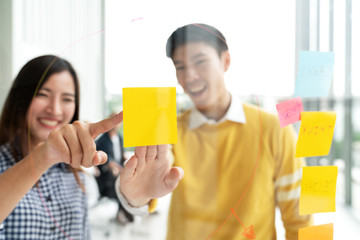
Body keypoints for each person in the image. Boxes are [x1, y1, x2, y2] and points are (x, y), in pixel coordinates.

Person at [118, 23, 313, 240]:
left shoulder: (274, 130)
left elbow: (300, 218)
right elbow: (148, 184)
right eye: (180, 66)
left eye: (200, 62)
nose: (190, 76)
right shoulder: (171, 130)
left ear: (225, 61)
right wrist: (136, 197)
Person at [0, 55, 183, 240]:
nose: (54, 109)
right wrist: (41, 157)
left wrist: (136, 199)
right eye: (42, 94)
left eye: (67, 99)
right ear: (21, 98)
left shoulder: (75, 171)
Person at [95, 113, 134, 224]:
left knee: (130, 181)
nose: (116, 125)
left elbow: (120, 156)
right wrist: (116, 167)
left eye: (118, 122)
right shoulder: (103, 140)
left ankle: (125, 211)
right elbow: (107, 160)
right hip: (107, 176)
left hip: (119, 171)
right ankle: (124, 212)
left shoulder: (120, 138)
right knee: (122, 185)